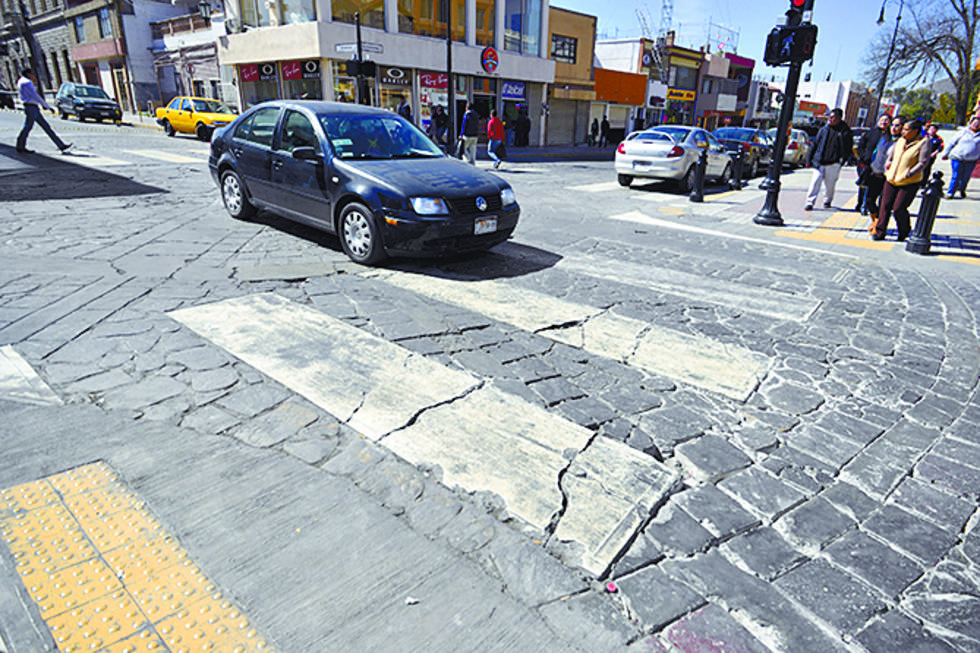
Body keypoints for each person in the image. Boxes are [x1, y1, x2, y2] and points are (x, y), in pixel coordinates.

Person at [872, 118, 930, 241]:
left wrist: (910, 173)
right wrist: (888, 163)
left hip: (909, 181)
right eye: (903, 129)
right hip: (892, 178)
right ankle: (880, 231)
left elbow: (923, 162)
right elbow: (891, 155)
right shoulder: (900, 141)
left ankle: (904, 230)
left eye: (906, 130)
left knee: (898, 208)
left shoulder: (923, 142)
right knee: (884, 205)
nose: (903, 132)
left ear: (915, 131)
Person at [804, 108, 853, 210]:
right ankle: (810, 202)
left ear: (839, 118)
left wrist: (843, 160)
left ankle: (827, 200)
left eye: (832, 117)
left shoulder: (845, 131)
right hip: (819, 162)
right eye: (829, 117)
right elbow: (815, 144)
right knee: (815, 182)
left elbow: (848, 147)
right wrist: (809, 159)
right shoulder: (824, 130)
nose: (830, 119)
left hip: (833, 163)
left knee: (830, 185)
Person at [15, 68, 72, 154]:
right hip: (31, 107)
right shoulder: (27, 82)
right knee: (28, 127)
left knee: (45, 126)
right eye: (31, 73)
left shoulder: (21, 81)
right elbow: (34, 95)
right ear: (28, 74)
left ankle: (61, 145)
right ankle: (20, 146)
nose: (33, 74)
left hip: (31, 106)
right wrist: (47, 106)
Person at [864, 115, 904, 221]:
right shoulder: (883, 138)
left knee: (884, 203)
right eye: (892, 125)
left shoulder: (901, 142)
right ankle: (875, 220)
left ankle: (879, 225)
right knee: (869, 201)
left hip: (889, 177)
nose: (893, 128)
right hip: (875, 173)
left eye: (897, 125)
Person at [854, 113, 890, 215]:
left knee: (871, 187)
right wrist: (863, 156)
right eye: (882, 120)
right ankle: (860, 204)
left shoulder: (889, 136)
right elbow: (861, 146)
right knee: (863, 185)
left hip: (880, 166)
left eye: (886, 120)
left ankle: (865, 207)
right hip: (865, 164)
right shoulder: (870, 133)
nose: (884, 122)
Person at [941, 116, 980, 198]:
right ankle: (950, 193)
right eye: (975, 123)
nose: (976, 125)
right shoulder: (963, 132)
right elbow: (952, 143)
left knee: (966, 177)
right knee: (956, 175)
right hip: (958, 157)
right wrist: (945, 154)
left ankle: (962, 189)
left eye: (978, 124)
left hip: (972, 160)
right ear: (971, 123)